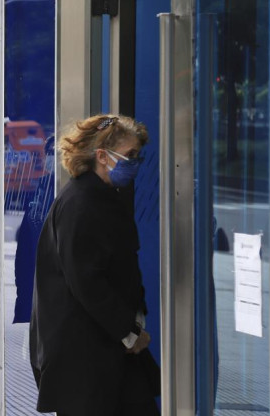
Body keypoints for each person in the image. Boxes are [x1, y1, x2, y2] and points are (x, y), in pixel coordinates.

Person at [29, 115, 159, 416]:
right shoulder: (82, 203)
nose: (135, 163)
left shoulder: (98, 197)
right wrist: (130, 333)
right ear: (102, 156)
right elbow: (87, 282)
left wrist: (134, 326)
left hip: (104, 350)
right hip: (86, 358)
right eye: (129, 156)